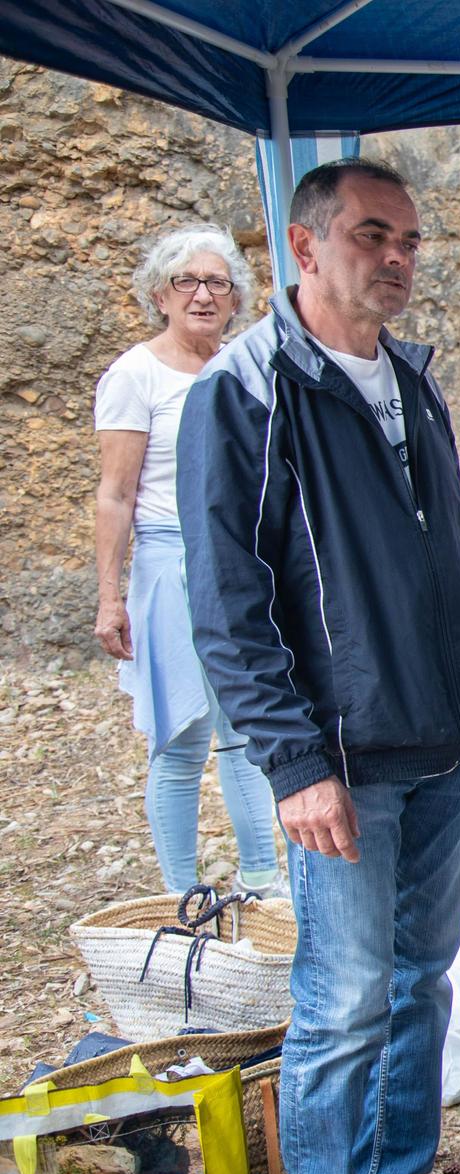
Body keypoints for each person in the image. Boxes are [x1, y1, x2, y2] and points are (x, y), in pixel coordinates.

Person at [178, 158, 460, 1174]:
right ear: (303, 245)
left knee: (420, 981)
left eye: (410, 241)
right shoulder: (243, 392)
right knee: (340, 1002)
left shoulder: (413, 379)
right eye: (372, 236)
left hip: (440, 738)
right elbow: (228, 603)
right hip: (340, 753)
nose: (396, 259)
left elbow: (451, 564)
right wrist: (292, 764)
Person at [93, 224, 281, 897]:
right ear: (160, 294)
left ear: (236, 299)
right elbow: (114, 495)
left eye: (218, 283)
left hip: (242, 565)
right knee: (180, 736)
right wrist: (110, 596)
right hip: (170, 563)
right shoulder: (135, 373)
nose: (203, 294)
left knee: (250, 726)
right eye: (187, 281)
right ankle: (180, 893)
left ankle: (263, 886)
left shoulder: (247, 366)